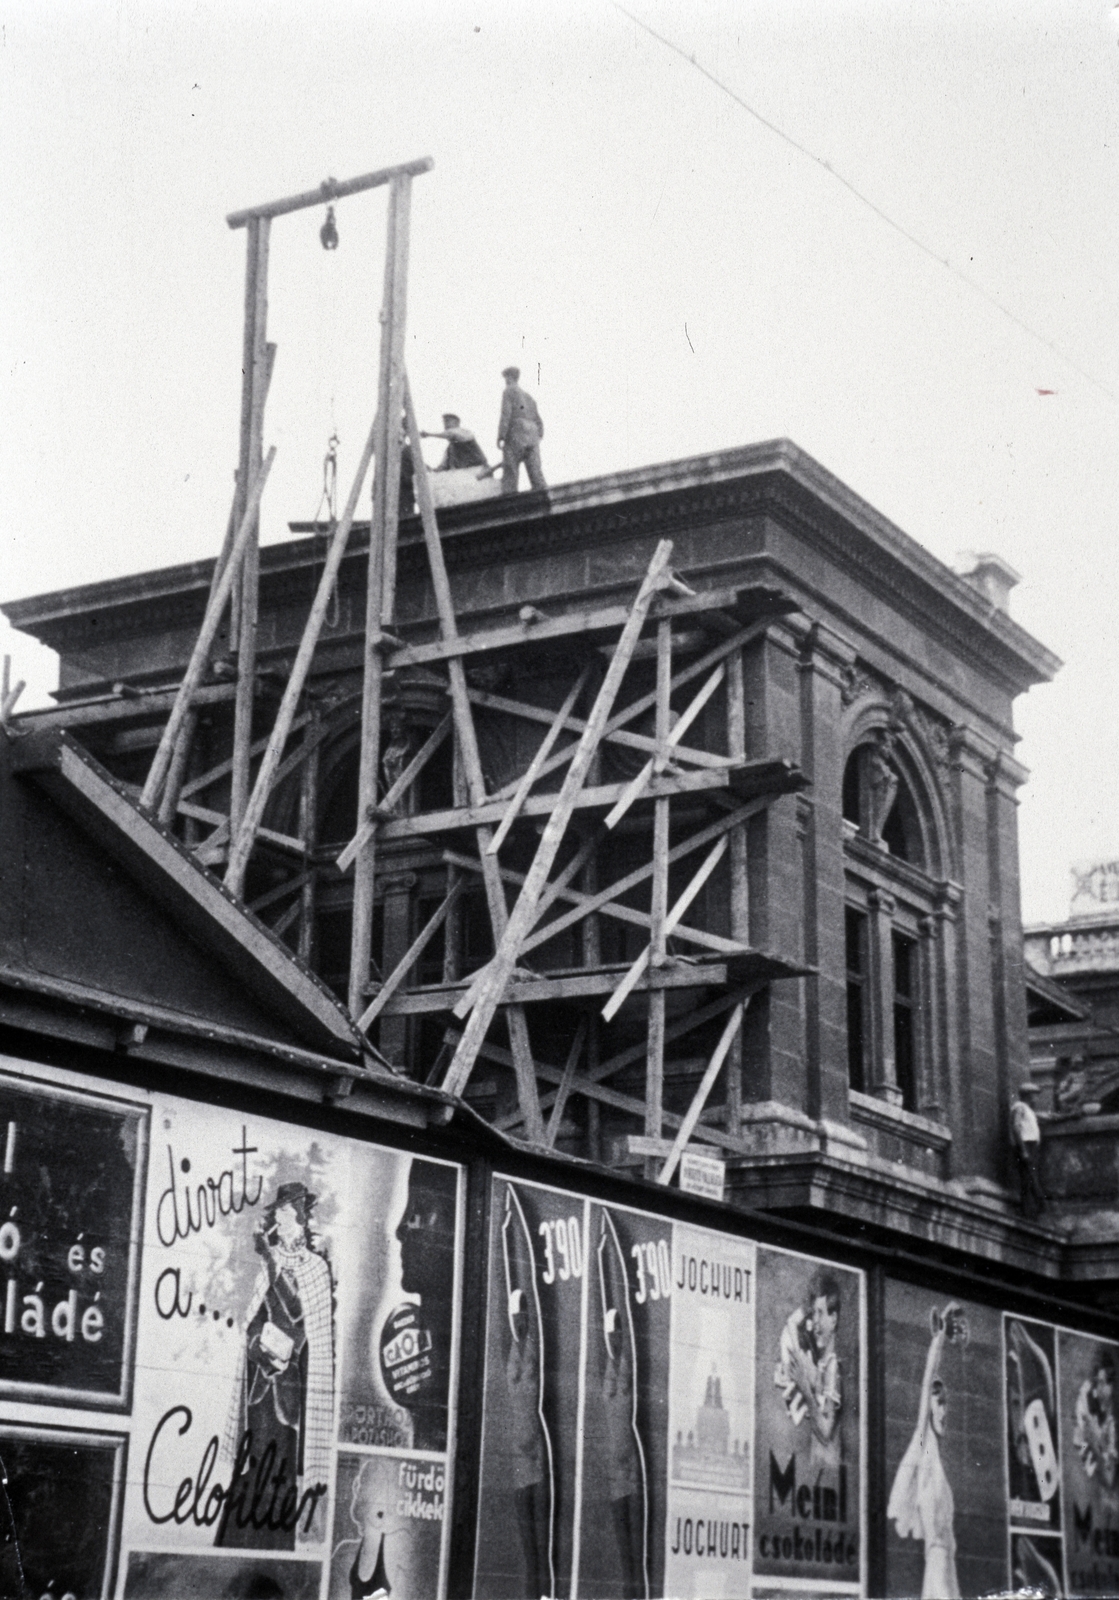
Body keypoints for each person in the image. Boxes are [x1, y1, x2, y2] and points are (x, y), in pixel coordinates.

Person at [217, 1181, 335, 1551]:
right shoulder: (267, 1266)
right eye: (280, 1212)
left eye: (289, 1212)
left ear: (301, 1218)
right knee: (253, 1468)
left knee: (279, 1470)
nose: (283, 1218)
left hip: (289, 1391)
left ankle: (272, 1546)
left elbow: (300, 1312)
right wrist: (256, 1347)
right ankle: (240, 1542)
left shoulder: (315, 1268)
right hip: (260, 1388)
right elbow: (253, 1320)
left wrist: (269, 1259)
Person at [887, 1302, 964, 1600]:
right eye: (939, 1402)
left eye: (946, 1402)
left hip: (946, 1568)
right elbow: (927, 1380)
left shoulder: (940, 1462)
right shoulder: (922, 1444)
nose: (945, 1409)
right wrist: (940, 1338)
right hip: (938, 1565)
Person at [776, 1271, 843, 1471]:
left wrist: (806, 1388)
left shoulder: (833, 1367)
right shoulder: (821, 1365)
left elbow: (825, 1432)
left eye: (820, 1313)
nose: (815, 1323)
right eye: (813, 1313)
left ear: (834, 1319)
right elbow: (791, 1323)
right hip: (819, 1473)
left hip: (829, 1471)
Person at [497, 366, 546, 494]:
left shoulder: (508, 391)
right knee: (535, 470)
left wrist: (501, 435)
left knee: (510, 467)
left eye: (506, 378)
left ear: (510, 377)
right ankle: (542, 495)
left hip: (517, 430)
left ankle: (509, 497)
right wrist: (538, 435)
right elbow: (538, 420)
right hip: (532, 434)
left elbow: (506, 414)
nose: (505, 380)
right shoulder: (528, 396)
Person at [1010, 1081, 1046, 1217]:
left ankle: (1033, 1209)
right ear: (1028, 1096)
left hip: (1031, 1145)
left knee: (1030, 1176)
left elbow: (1046, 1117)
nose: (1036, 1098)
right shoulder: (1019, 1107)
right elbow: (1016, 1127)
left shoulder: (1028, 1110)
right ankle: (1036, 1206)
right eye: (1034, 1095)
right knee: (1028, 1177)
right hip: (1025, 1145)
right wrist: (1023, 1149)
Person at [421, 413, 489, 472]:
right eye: (444, 422)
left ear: (457, 422)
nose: (445, 424)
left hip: (477, 468)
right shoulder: (451, 448)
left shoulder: (465, 432)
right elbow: (444, 464)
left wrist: (429, 434)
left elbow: (452, 434)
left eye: (448, 421)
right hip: (462, 472)